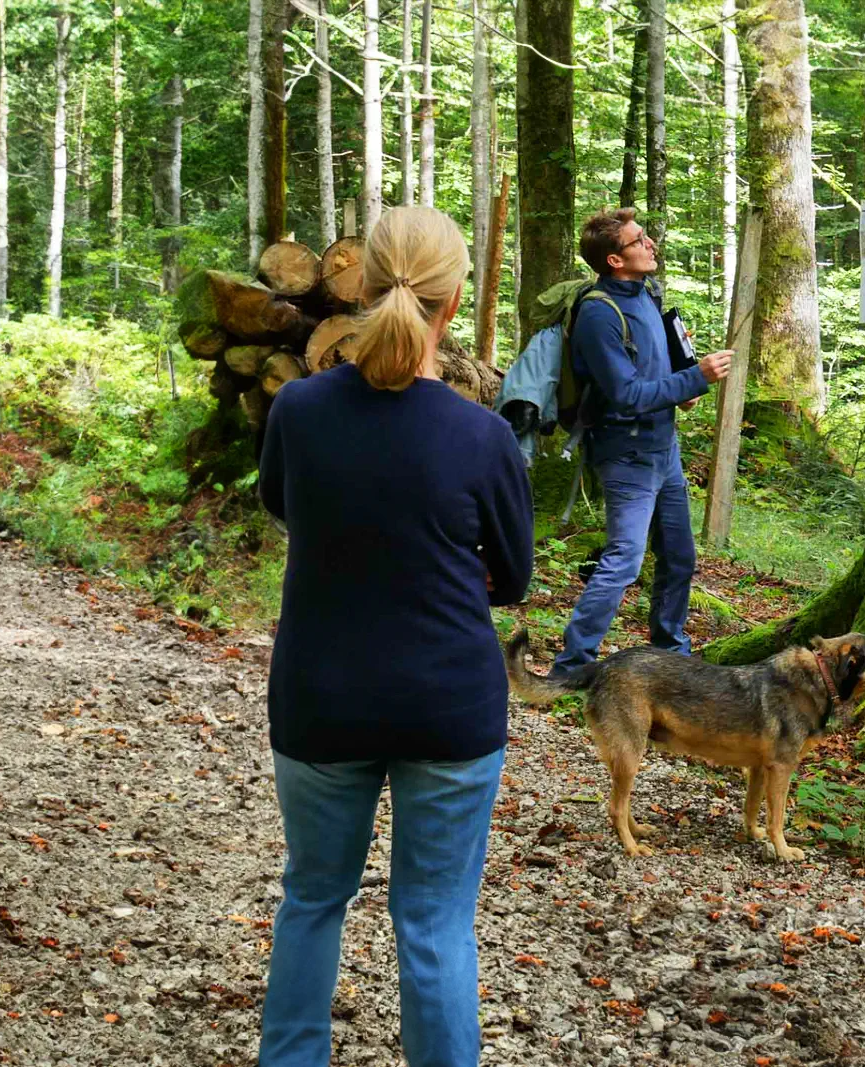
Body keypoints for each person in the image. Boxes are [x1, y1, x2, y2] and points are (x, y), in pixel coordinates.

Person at [255, 205, 534, 1067]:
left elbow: (281, 504)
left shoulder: (298, 411)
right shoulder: (483, 435)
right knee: (436, 923)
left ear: (364, 289)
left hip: (322, 697)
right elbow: (513, 579)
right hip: (448, 704)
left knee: (311, 897)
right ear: (452, 303)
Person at [550, 208, 733, 677]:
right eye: (639, 241)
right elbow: (627, 395)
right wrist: (697, 377)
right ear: (614, 259)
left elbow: (657, 373)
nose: (650, 244)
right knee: (624, 561)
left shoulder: (647, 294)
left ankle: (670, 653)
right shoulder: (598, 314)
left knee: (678, 556)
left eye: (646, 237)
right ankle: (573, 664)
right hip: (626, 453)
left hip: (663, 449)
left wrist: (685, 381)